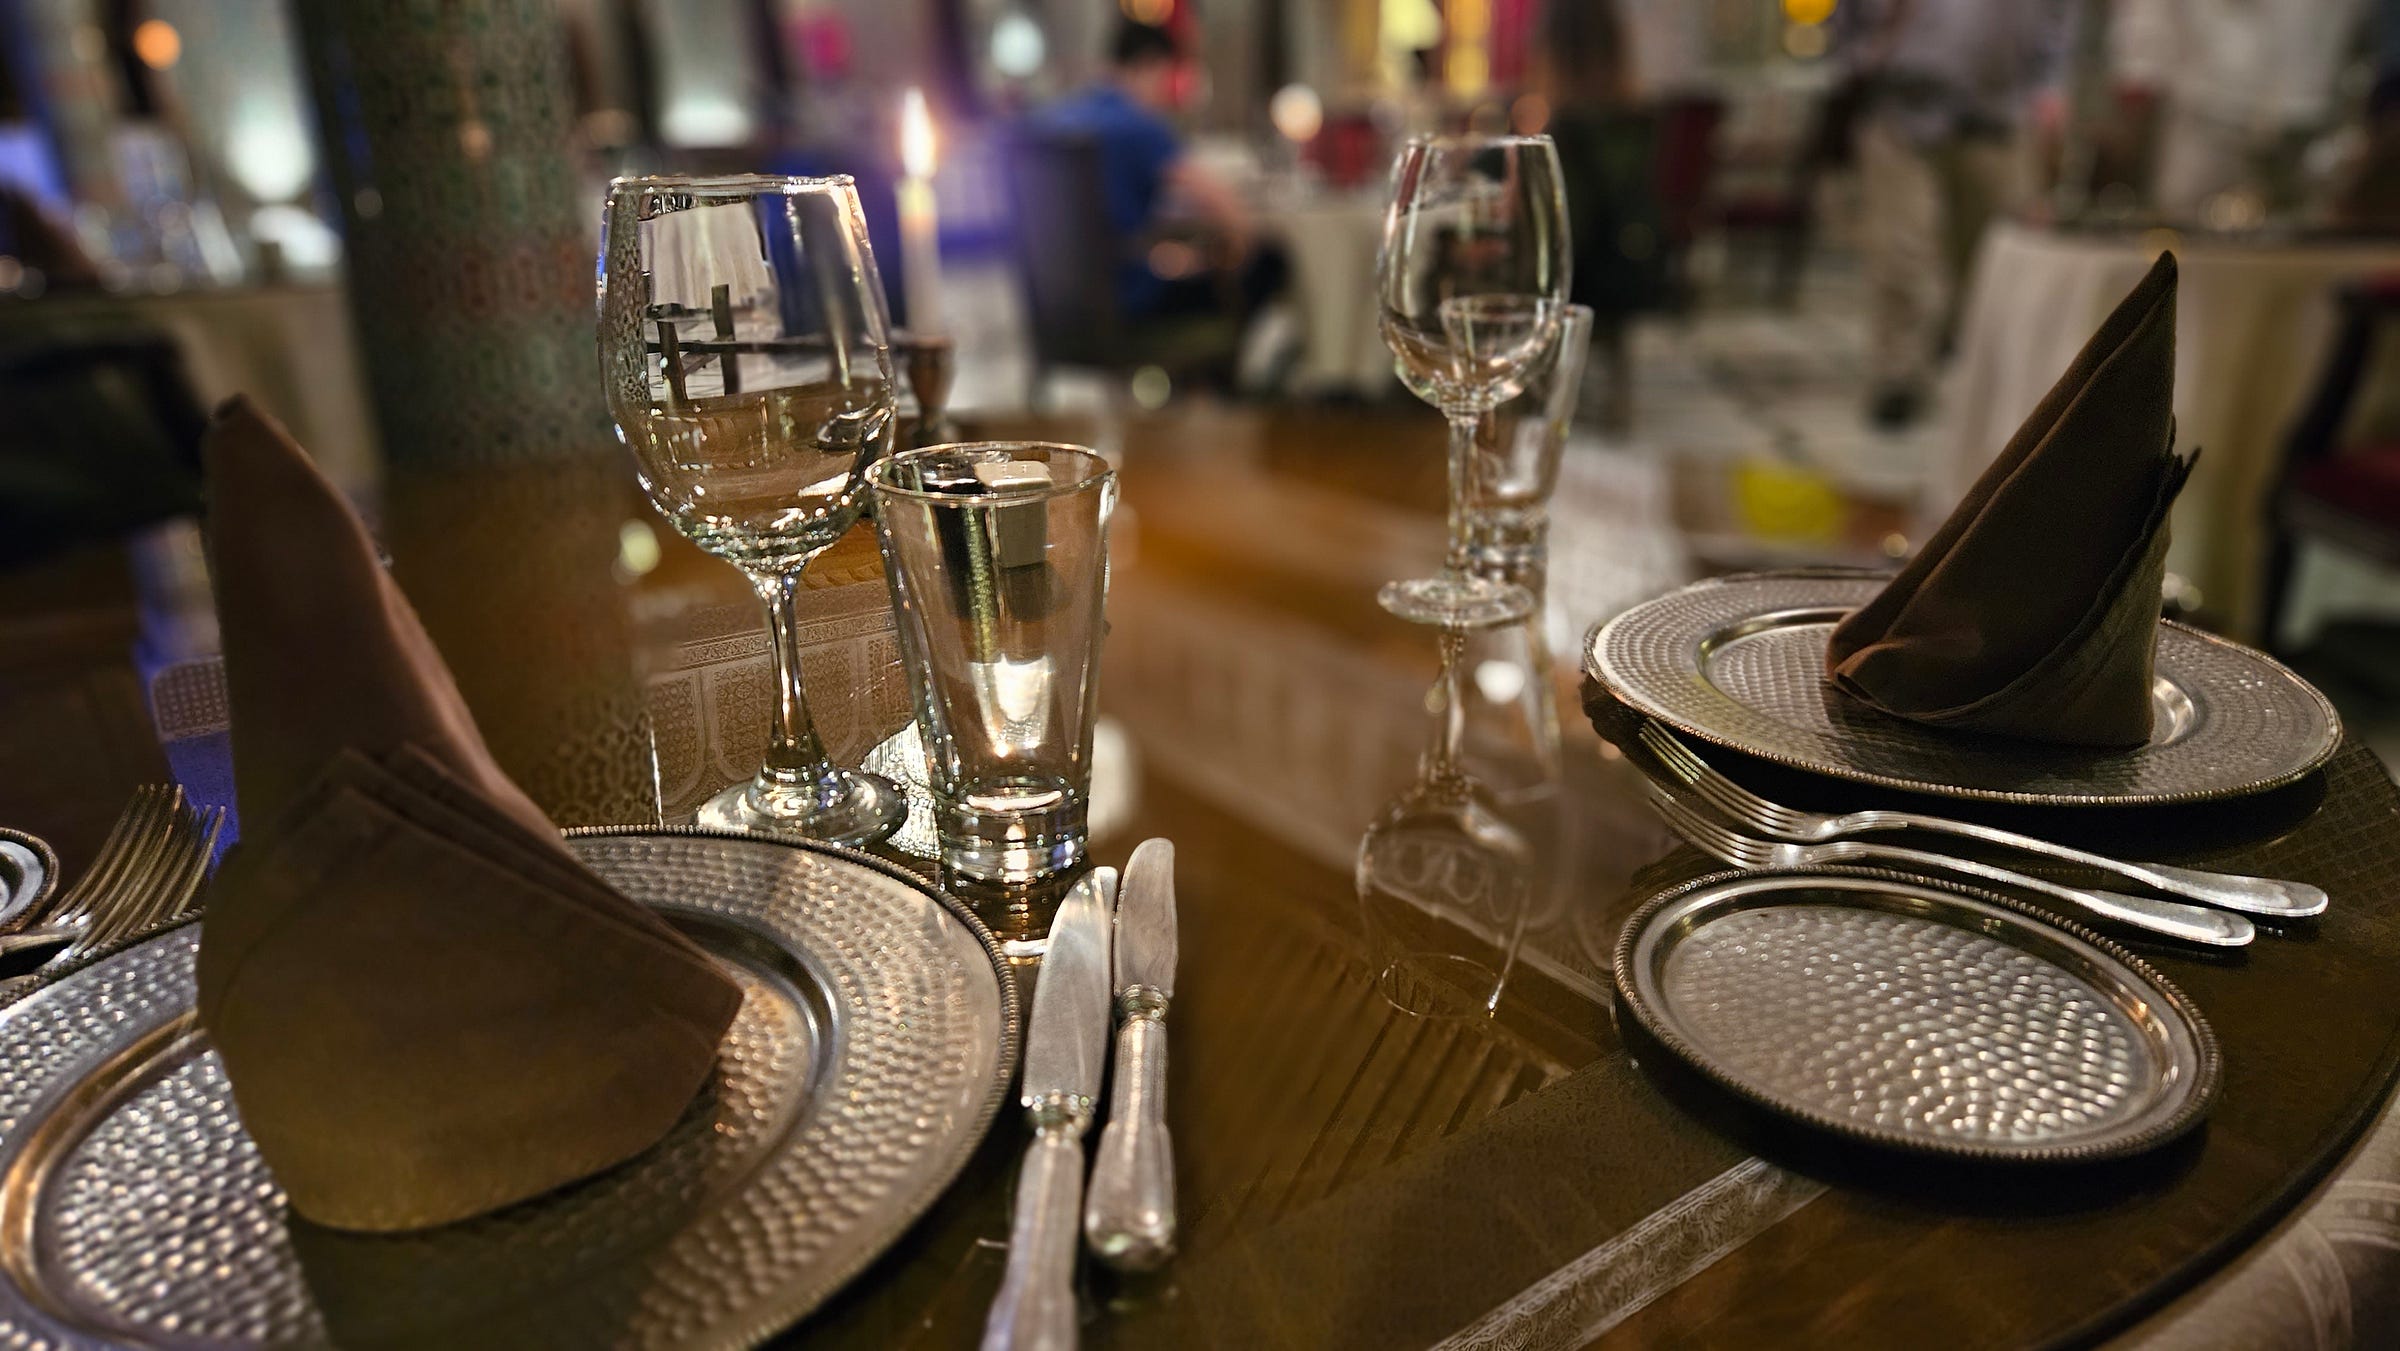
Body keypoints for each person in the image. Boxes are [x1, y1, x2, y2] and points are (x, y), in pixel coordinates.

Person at [1832, 0, 2073, 430]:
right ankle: (1898, 376)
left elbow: (2056, 15)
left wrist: (2048, 86)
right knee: (1899, 250)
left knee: (1997, 260)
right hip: (1900, 107)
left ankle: (1985, 376)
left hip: (1997, 114)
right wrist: (1856, 58)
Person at [1025, 20, 1279, 325]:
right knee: (1269, 264)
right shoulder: (1138, 126)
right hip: (1126, 304)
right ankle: (1221, 370)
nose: (1166, 95)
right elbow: (1222, 205)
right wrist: (1242, 243)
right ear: (1150, 65)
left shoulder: (1051, 120)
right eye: (1167, 79)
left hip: (1057, 311)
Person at [2111, 0, 2370, 224]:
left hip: (2312, 109)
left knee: (2302, 242)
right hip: (2205, 102)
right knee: (2183, 229)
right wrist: (2139, 62)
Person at [1536, 0, 1669, 435]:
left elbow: (1566, 231)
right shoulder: (1638, 119)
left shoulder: (1569, 128)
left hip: (1585, 278)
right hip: (1636, 275)